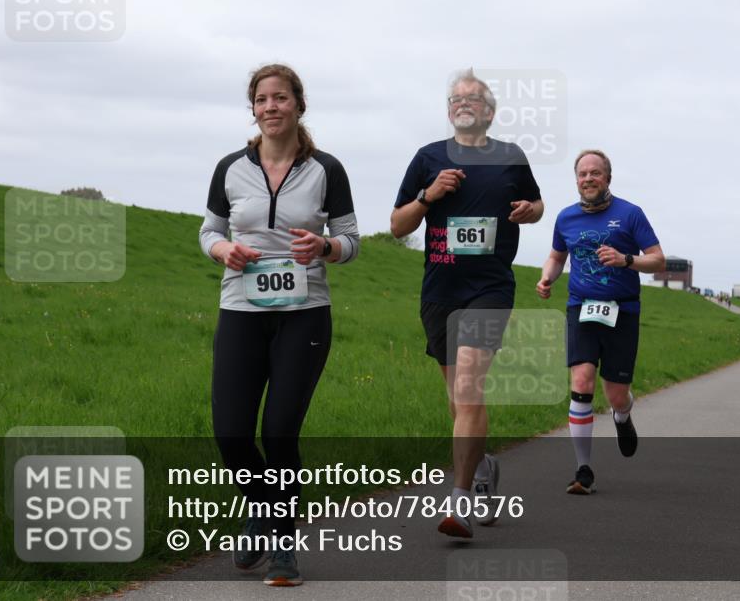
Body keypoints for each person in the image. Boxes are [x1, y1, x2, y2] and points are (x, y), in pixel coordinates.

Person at [199, 63, 360, 586]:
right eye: (262, 99)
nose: (272, 107)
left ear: (298, 105)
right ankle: (266, 510)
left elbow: (351, 240)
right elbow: (209, 231)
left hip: (304, 314)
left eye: (281, 98)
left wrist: (326, 247)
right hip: (241, 311)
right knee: (231, 434)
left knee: (280, 430)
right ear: (254, 109)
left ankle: (284, 547)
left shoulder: (326, 170)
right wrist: (224, 248)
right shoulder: (230, 167)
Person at [390, 68, 544, 538]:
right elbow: (398, 225)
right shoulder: (428, 158)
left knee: (469, 385)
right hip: (440, 290)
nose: (463, 103)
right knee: (459, 399)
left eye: (473, 99)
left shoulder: (511, 158)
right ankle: (482, 471)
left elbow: (537, 205)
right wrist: (428, 195)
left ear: (490, 112)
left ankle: (457, 502)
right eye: (456, 98)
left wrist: (528, 211)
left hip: (490, 288)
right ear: (448, 110)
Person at [536, 150, 665, 495]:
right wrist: (547, 278)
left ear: (607, 178)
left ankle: (622, 416)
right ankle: (583, 470)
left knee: (615, 393)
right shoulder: (565, 218)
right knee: (581, 379)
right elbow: (556, 256)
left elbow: (658, 260)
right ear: (576, 180)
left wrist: (626, 260)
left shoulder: (630, 214)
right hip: (582, 307)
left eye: (595, 173)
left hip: (623, 310)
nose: (588, 178)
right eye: (582, 174)